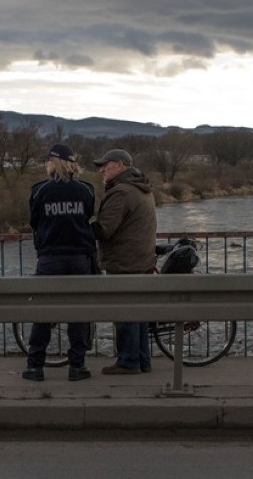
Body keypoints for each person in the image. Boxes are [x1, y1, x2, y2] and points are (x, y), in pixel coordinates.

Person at [22, 143, 97, 382]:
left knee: (43, 312)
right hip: (78, 258)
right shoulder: (85, 190)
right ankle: (77, 366)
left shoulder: (40, 191)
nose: (45, 165)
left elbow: (34, 222)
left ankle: (35, 366)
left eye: (47, 161)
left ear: (54, 163)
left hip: (50, 258)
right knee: (78, 313)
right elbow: (87, 216)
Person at [90, 148, 157, 375]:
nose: (101, 170)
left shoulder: (121, 192)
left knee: (125, 313)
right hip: (141, 259)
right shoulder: (141, 188)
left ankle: (128, 362)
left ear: (119, 165)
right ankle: (142, 361)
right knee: (139, 315)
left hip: (124, 262)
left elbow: (104, 229)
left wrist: (82, 226)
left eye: (104, 165)